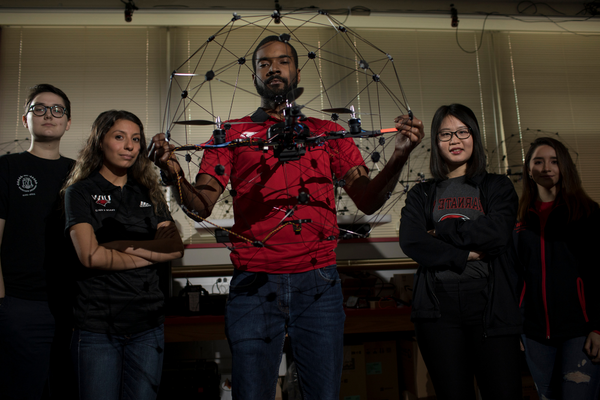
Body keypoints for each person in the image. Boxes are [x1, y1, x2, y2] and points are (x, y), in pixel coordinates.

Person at [149, 35, 424, 399]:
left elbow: (368, 200)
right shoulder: (231, 134)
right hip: (255, 284)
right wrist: (173, 174)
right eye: (264, 63)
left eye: (282, 61)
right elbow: (202, 205)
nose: (273, 68)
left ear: (296, 71)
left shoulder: (329, 133)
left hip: (319, 282)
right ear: (255, 77)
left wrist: (399, 157)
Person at [399, 104, 523, 400]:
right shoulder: (423, 193)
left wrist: (442, 232)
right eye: (445, 135)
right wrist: (464, 254)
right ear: (436, 142)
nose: (454, 141)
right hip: (437, 310)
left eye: (461, 132)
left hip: (488, 306)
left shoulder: (497, 186)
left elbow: (496, 234)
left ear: (474, 136)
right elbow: (412, 240)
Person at [63, 110, 184, 400]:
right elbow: (90, 257)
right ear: (99, 141)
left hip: (148, 326)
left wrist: (118, 246)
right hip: (97, 328)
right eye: (119, 137)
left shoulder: (149, 191)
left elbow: (174, 248)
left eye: (136, 139)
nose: (129, 146)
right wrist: (149, 251)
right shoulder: (79, 193)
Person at [0, 84, 75, 400]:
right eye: (39, 108)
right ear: (25, 119)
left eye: (57, 109)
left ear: (67, 123)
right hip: (22, 305)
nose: (49, 115)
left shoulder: (79, 173)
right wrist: (3, 305)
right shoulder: (7, 168)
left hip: (74, 307)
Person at [516, 137, 600, 399]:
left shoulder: (588, 213)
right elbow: (516, 277)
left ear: (564, 166)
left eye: (554, 161)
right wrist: (516, 326)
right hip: (534, 334)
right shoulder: (520, 221)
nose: (546, 167)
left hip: (580, 331)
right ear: (529, 170)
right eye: (538, 161)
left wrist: (598, 327)